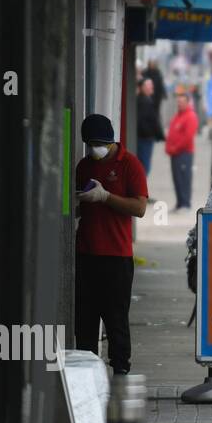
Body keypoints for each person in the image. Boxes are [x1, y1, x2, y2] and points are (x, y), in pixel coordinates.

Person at [74, 115, 149, 375]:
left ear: (110, 141)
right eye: (90, 144)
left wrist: (105, 196)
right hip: (85, 253)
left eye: (98, 144)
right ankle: (86, 372)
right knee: (84, 320)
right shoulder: (84, 166)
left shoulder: (129, 164)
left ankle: (120, 371)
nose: (95, 149)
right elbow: (77, 205)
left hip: (116, 256)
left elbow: (139, 208)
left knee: (116, 320)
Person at [165, 89, 198, 210]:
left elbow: (187, 137)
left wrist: (175, 148)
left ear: (188, 102)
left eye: (182, 102)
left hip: (184, 153)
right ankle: (180, 202)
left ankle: (185, 203)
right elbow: (171, 133)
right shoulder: (177, 116)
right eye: (178, 102)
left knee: (184, 178)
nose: (179, 104)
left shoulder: (190, 116)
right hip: (175, 153)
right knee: (177, 178)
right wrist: (169, 147)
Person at [135, 77, 164, 176]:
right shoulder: (145, 101)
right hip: (145, 139)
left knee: (144, 165)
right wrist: (153, 133)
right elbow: (144, 121)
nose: (152, 88)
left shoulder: (146, 100)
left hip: (145, 138)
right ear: (143, 87)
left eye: (152, 85)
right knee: (144, 167)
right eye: (149, 86)